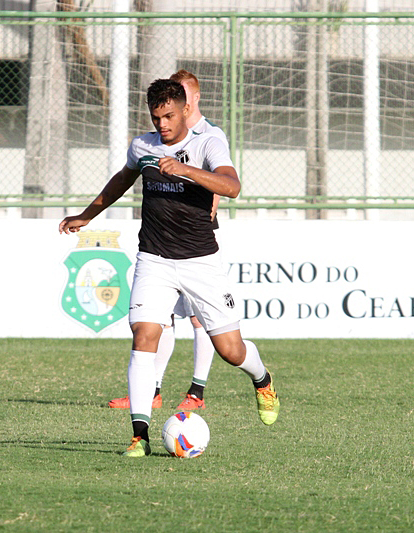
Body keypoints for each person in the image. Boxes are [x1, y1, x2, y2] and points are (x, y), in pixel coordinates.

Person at [59, 79, 279, 457]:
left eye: (169, 116)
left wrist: (186, 170)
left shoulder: (206, 142)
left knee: (230, 350)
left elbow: (232, 186)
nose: (162, 124)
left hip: (200, 262)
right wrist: (87, 215)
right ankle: (139, 436)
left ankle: (262, 378)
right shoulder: (143, 146)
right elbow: (120, 182)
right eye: (156, 117)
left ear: (184, 111)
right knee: (144, 335)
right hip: (154, 258)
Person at [108, 70, 224, 411]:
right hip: (159, 248)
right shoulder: (149, 141)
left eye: (176, 105)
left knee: (201, 319)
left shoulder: (210, 137)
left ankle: (196, 391)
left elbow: (224, 181)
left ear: (192, 101)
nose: (167, 118)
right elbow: (125, 177)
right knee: (160, 320)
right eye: (158, 113)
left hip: (195, 244)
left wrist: (203, 190)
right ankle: (152, 389)